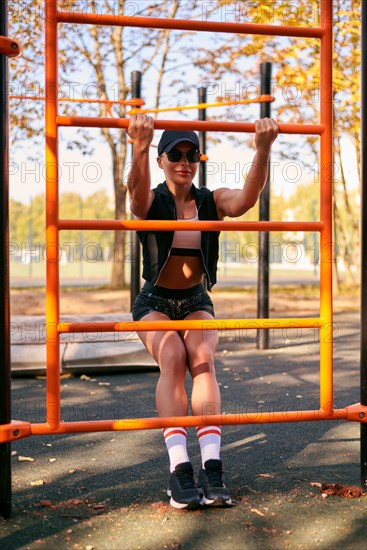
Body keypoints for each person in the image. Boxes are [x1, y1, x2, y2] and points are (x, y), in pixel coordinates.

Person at [127, 115, 279, 509]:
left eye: (192, 153)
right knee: (173, 358)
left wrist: (262, 150)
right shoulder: (154, 200)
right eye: (175, 154)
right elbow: (136, 198)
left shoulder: (211, 200)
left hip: (195, 301)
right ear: (162, 160)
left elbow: (244, 201)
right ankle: (180, 471)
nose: (184, 160)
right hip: (154, 302)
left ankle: (212, 465)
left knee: (202, 359)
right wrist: (139, 148)